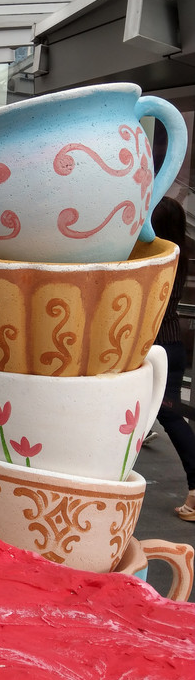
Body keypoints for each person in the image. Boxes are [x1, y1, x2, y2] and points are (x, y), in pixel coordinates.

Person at [150, 196, 195, 522]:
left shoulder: (160, 260)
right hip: (170, 345)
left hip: (158, 349)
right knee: (166, 414)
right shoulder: (178, 256)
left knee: (170, 415)